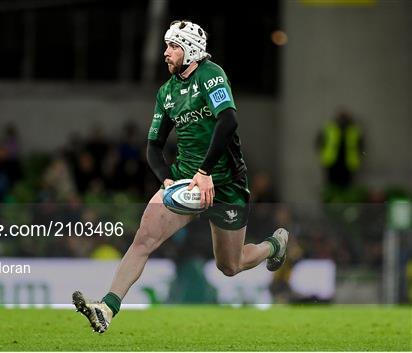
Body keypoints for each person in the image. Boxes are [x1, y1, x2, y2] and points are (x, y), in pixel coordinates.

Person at [72, 20, 289, 333]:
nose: (166, 53)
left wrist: (206, 172)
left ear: (191, 50)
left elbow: (227, 122)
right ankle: (107, 307)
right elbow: (153, 146)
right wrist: (167, 179)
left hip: (225, 183)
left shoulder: (210, 75)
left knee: (230, 265)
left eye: (173, 46)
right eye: (166, 46)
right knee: (143, 239)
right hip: (186, 181)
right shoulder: (167, 92)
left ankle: (274, 245)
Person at [316, 107, 364, 189]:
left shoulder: (354, 130)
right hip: (332, 161)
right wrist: (322, 154)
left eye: (345, 116)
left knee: (347, 186)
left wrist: (359, 156)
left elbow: (361, 146)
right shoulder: (329, 128)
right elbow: (319, 142)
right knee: (331, 185)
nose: (343, 119)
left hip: (348, 163)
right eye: (341, 116)